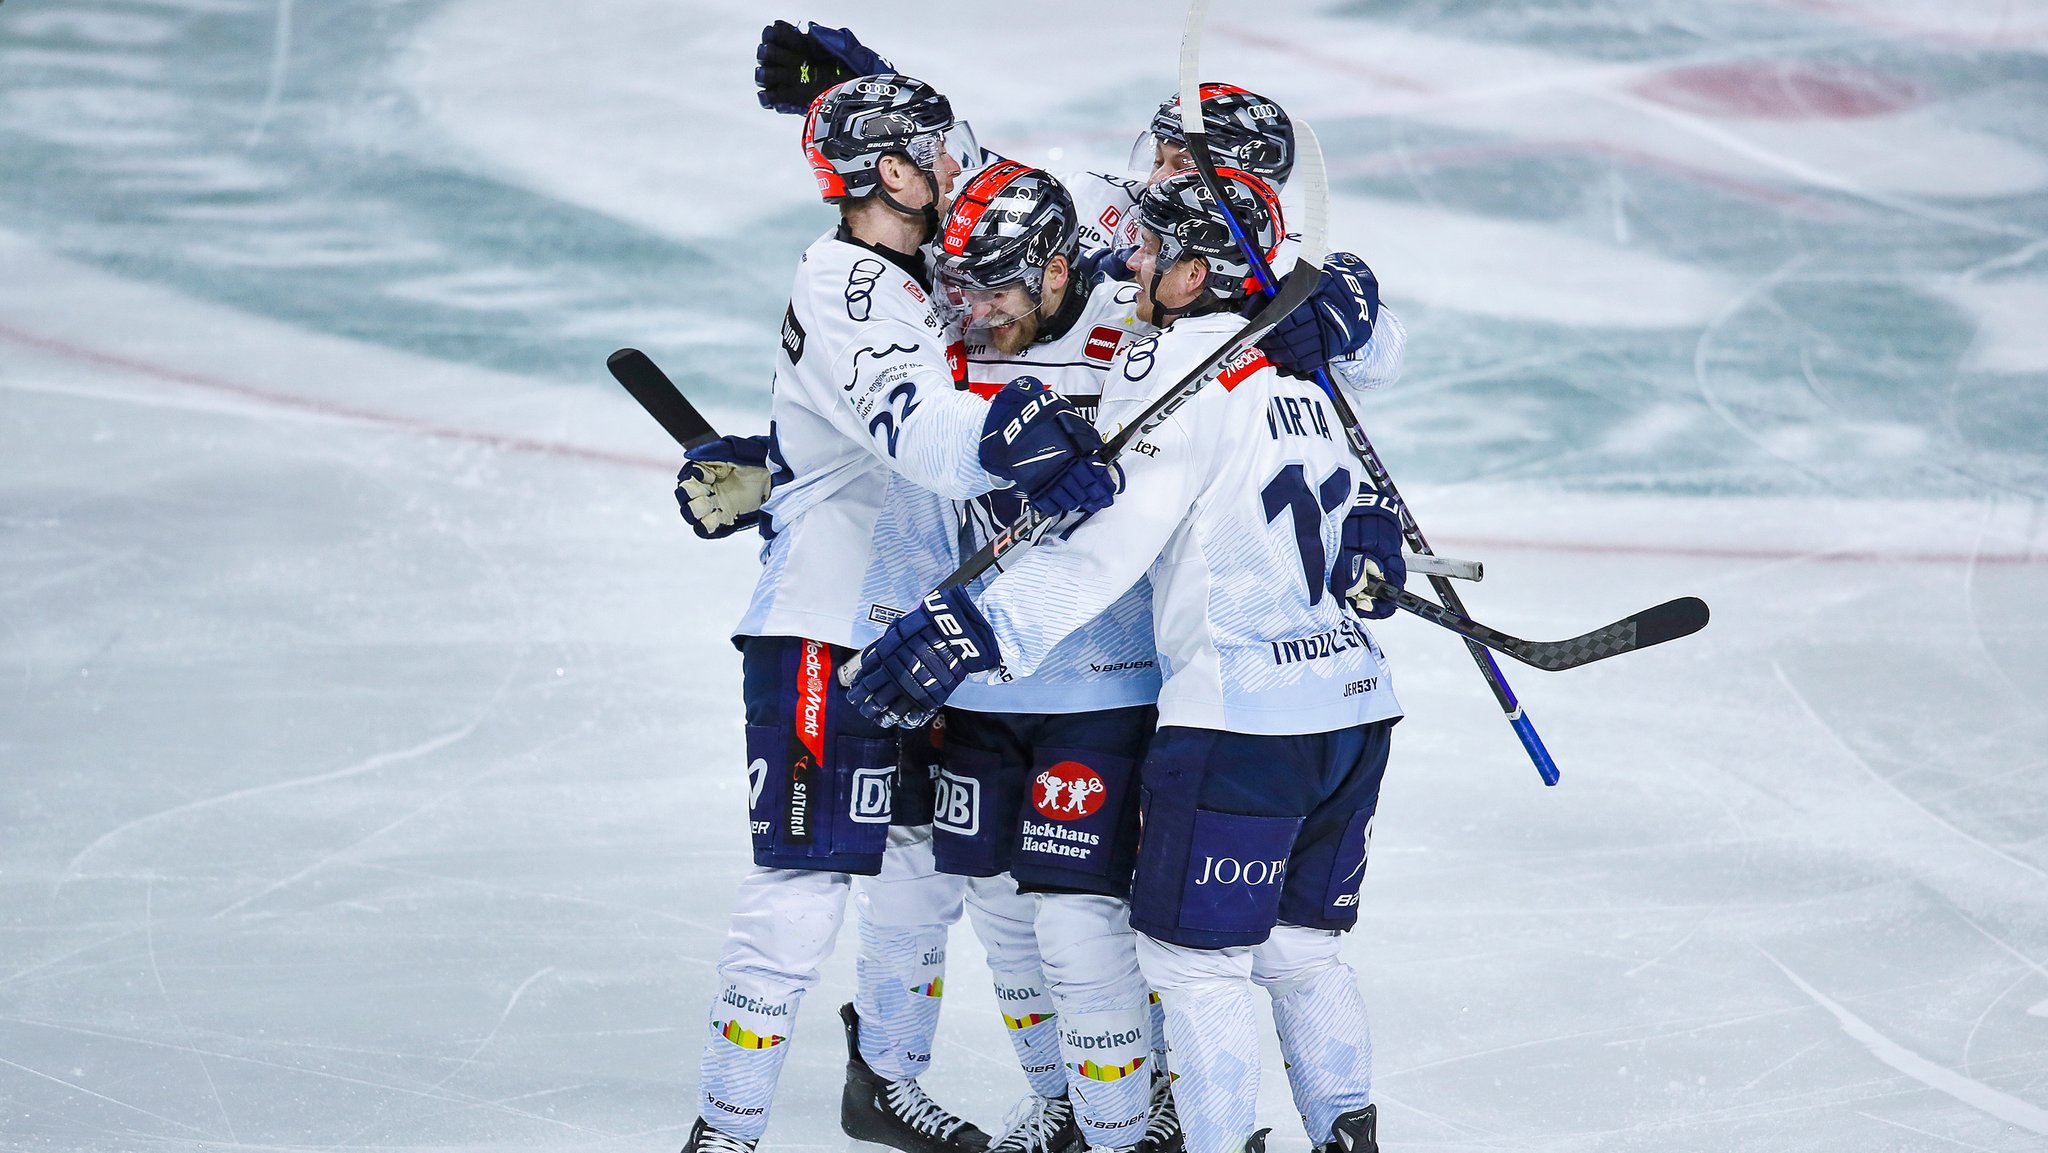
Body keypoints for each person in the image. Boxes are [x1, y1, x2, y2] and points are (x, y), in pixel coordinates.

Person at [844, 167, 1403, 1153]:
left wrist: (973, 632)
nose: (1130, 260)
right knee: (1302, 950)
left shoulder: (1165, 359)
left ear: (1194, 274)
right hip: (1354, 707)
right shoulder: (1303, 362)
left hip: (1238, 717)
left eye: (1150, 250)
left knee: (1191, 964)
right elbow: (1347, 465)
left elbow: (1111, 545)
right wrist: (1373, 515)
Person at [682, 72, 1121, 1153]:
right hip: (828, 630)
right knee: (802, 885)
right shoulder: (847, 286)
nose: (954, 153)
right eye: (931, 145)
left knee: (941, 870)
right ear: (891, 171)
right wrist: (1021, 442)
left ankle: (890, 1080)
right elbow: (925, 436)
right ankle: (722, 1134)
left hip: (919, 630)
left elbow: (1022, 206)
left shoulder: (918, 263)